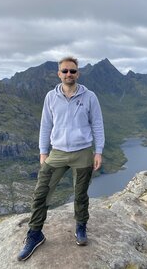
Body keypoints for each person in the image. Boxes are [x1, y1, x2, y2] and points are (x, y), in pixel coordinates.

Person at [18, 56, 105, 261]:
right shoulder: (51, 97)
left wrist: (98, 150)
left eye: (72, 71)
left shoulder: (89, 96)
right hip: (57, 152)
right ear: (59, 74)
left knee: (80, 194)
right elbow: (46, 125)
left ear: (78, 73)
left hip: (83, 151)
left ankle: (81, 227)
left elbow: (97, 124)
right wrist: (43, 151)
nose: (68, 74)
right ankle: (35, 233)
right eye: (65, 71)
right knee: (41, 192)